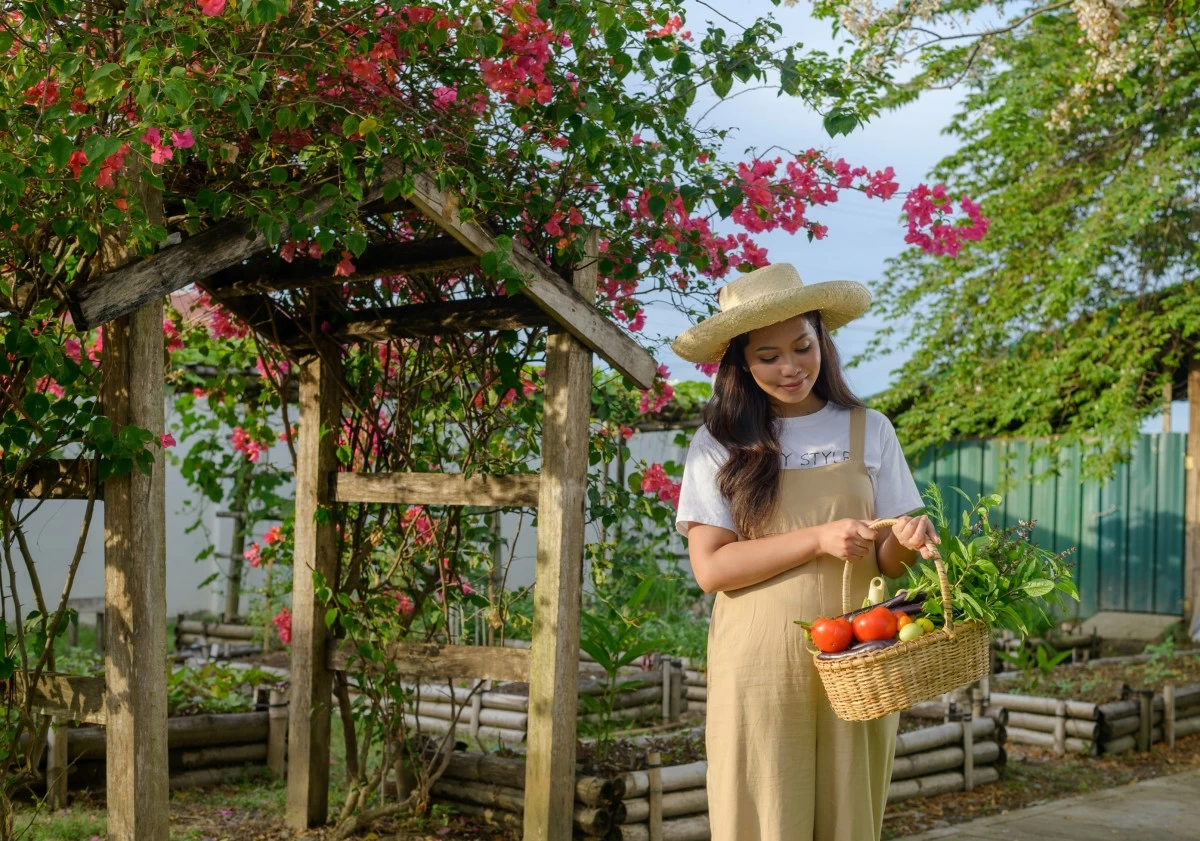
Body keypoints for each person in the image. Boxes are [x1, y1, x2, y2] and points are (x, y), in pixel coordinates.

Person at [672, 263, 941, 841]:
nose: (790, 367)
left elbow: (888, 560)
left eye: (802, 346)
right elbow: (711, 568)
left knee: (851, 808)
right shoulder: (719, 443)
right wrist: (817, 538)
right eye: (768, 356)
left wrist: (908, 540)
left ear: (823, 338)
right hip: (759, 659)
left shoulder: (870, 429)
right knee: (763, 808)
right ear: (741, 362)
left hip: (861, 656)